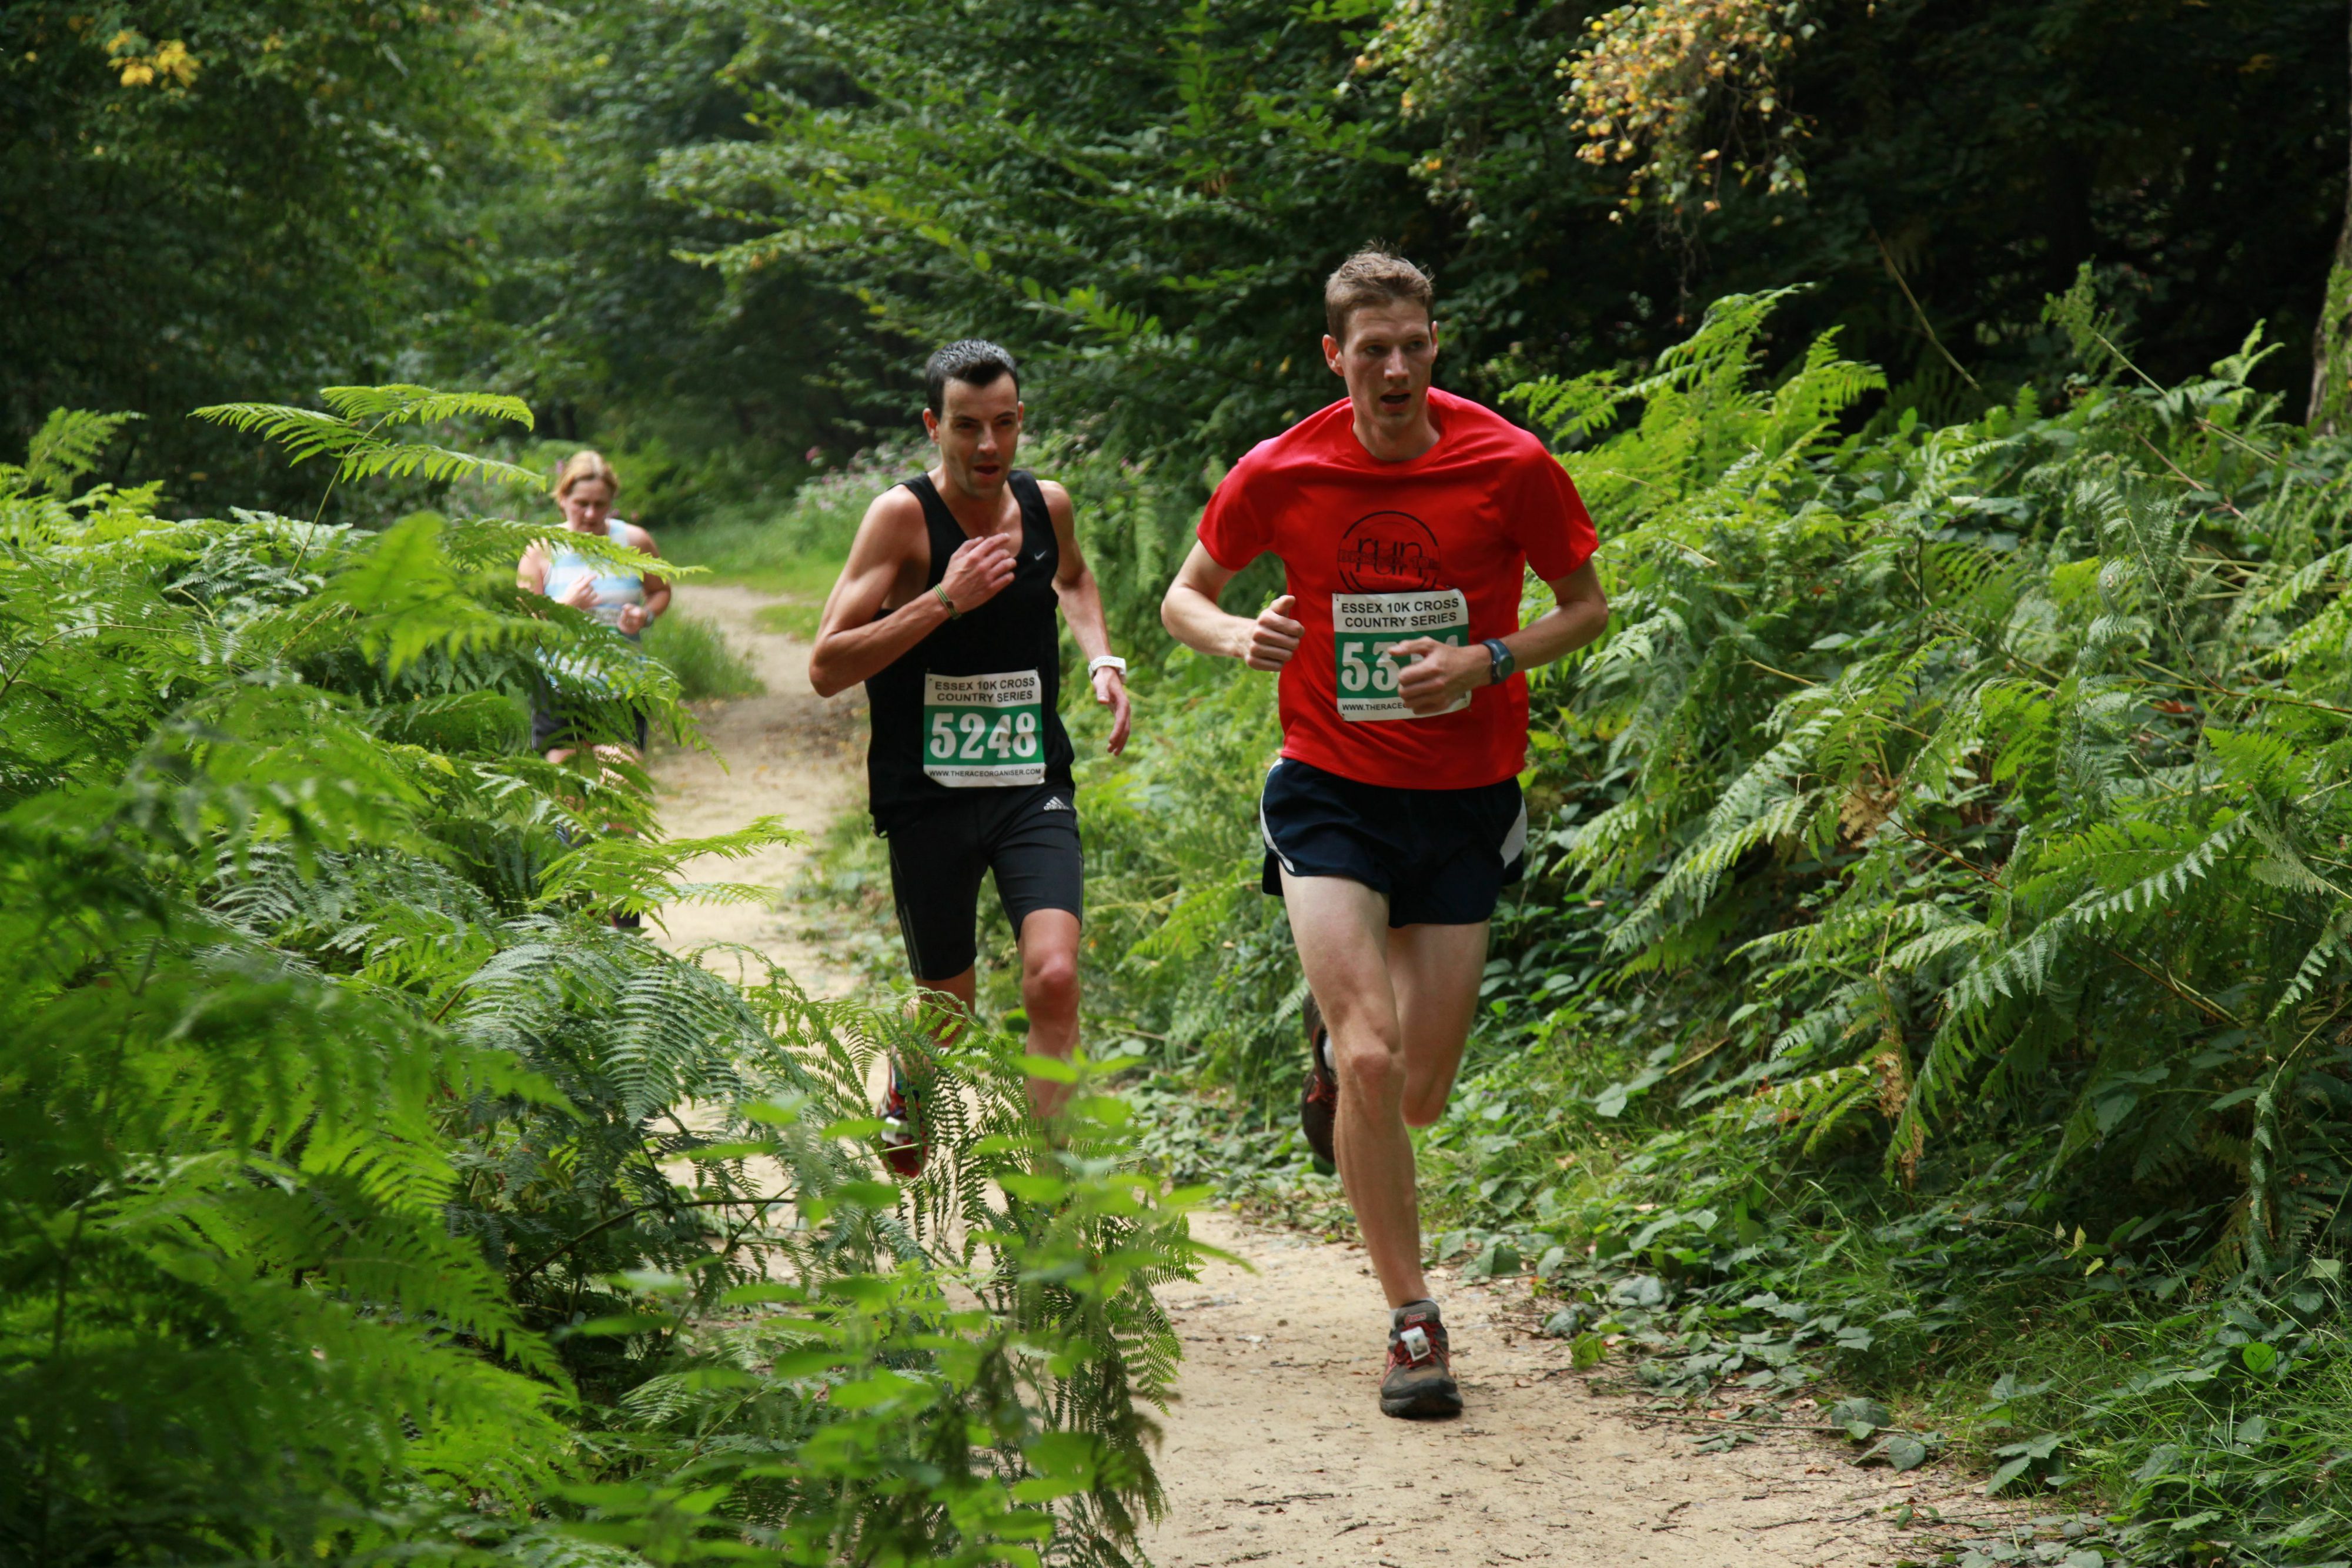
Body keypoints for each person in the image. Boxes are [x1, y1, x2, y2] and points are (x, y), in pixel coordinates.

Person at [1160, 250, 1608, 1419]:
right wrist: (1229, 636)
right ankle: (1413, 1317)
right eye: (1372, 350)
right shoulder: (1282, 467)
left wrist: (1487, 657)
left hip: (1465, 794)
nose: (1395, 367)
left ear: (1434, 342)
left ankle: (1336, 1066)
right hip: (1328, 787)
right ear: (1334, 357)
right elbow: (1182, 594)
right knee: (1372, 1052)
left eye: (1412, 344)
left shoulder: (1508, 463)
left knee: (1414, 1091)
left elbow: (1585, 606)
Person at [808, 340, 1132, 1174]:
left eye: (1005, 424)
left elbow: (1077, 578)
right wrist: (945, 599)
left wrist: (1102, 659)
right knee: (946, 1014)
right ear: (932, 425)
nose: (988, 446)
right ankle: (907, 1088)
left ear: (1021, 421)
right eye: (966, 427)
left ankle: (1045, 1187)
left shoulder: (1046, 503)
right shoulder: (900, 517)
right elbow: (828, 663)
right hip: (929, 795)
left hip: (1032, 781)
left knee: (1055, 976)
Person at [517, 449, 670, 765]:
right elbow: (523, 622)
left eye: (600, 505)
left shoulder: (635, 541)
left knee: (620, 794)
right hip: (558, 688)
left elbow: (660, 591)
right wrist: (564, 607)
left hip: (622, 687)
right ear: (562, 499)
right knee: (568, 801)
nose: (590, 514)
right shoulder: (540, 550)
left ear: (612, 502)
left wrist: (645, 616)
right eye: (581, 504)